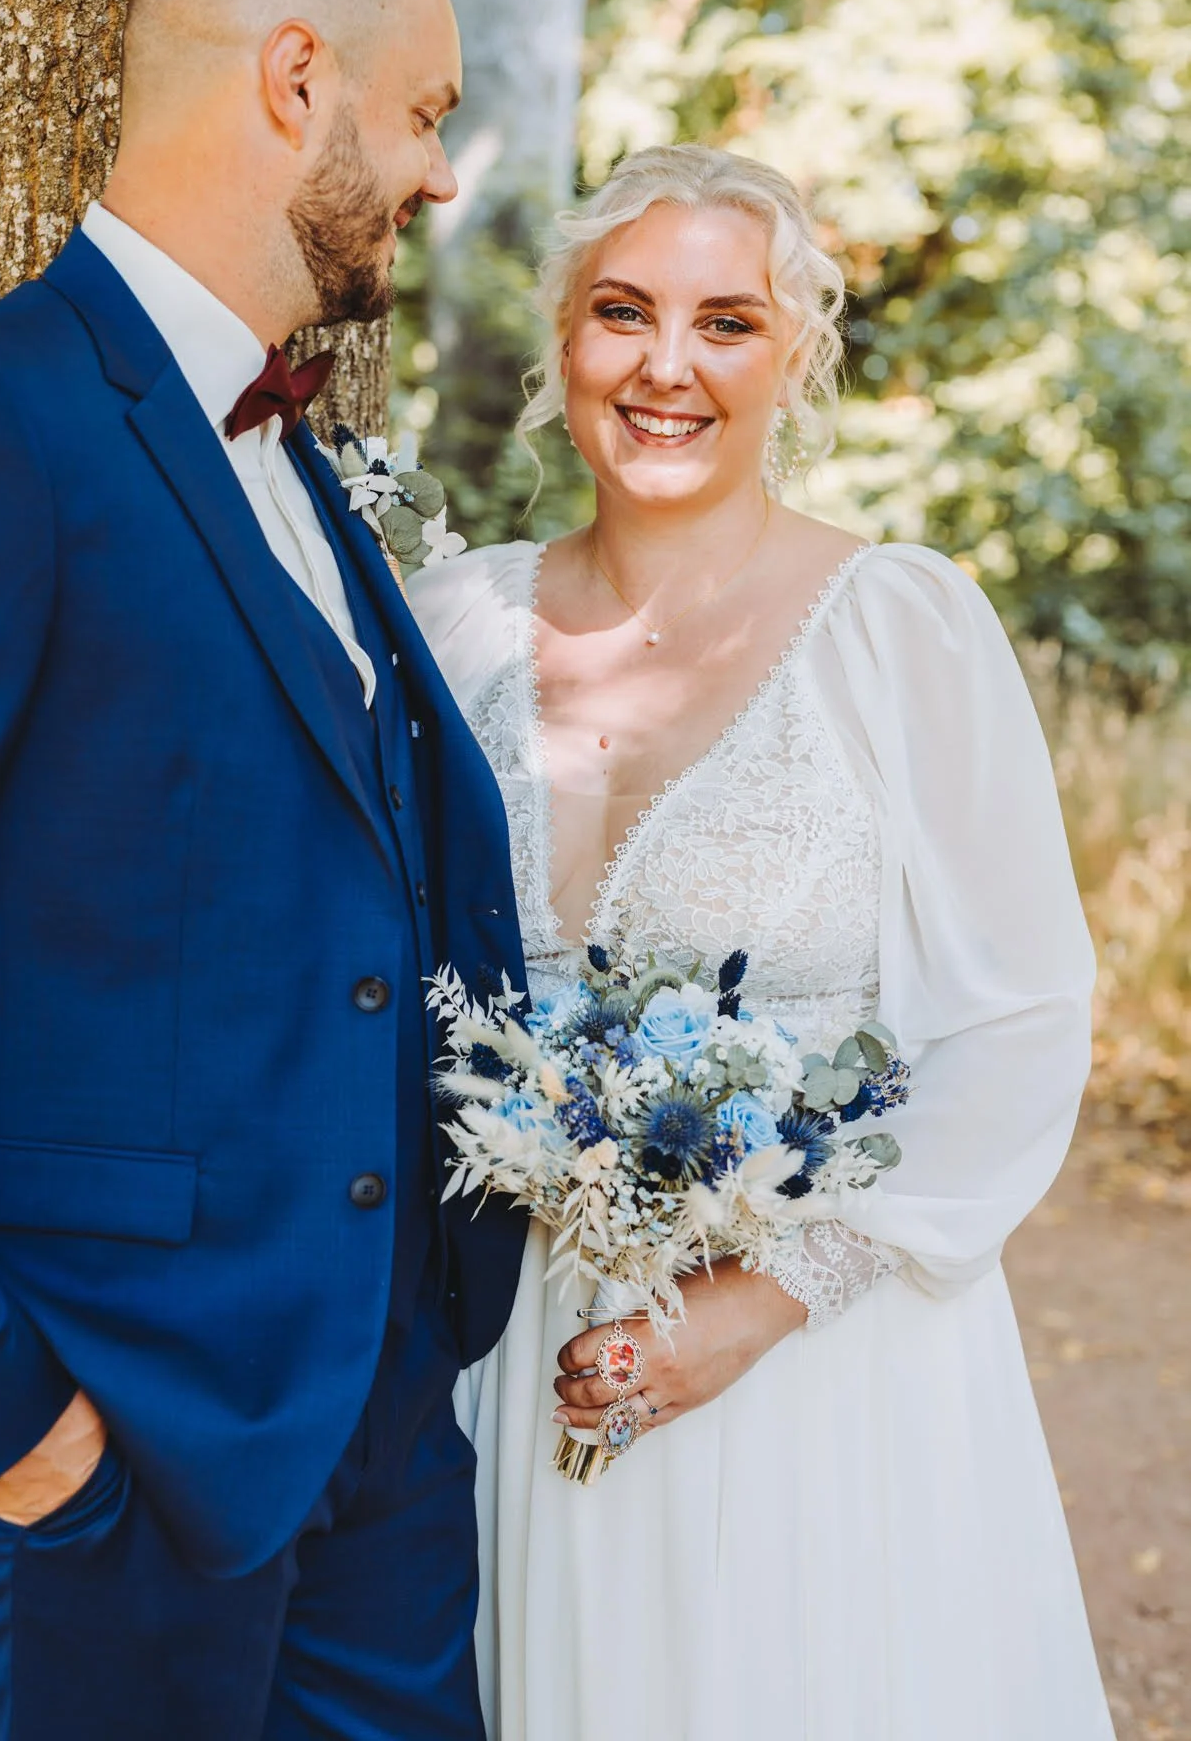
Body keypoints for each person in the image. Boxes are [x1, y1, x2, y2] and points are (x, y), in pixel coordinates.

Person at [0, 0, 526, 1740]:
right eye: (426, 113)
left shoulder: (298, 459)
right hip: (103, 1474)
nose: (440, 173)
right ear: (298, 79)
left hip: (376, 1456)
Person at [409, 143, 1115, 1741]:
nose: (665, 367)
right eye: (620, 313)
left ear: (795, 355)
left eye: (725, 322)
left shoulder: (897, 629)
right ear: (561, 342)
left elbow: (1016, 1021)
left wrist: (761, 1298)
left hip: (817, 1364)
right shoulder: (455, 625)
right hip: (513, 1355)